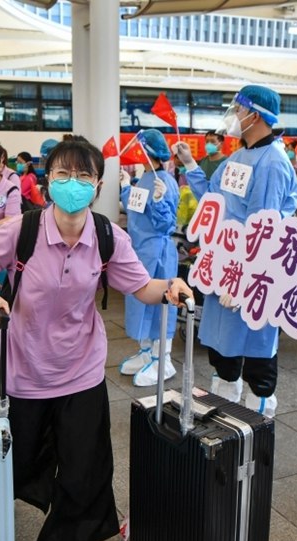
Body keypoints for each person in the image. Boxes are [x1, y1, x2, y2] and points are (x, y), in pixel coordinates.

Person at [0, 137, 193, 541]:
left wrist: (169, 288)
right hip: (23, 369)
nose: (73, 184)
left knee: (84, 463)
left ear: (98, 184)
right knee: (17, 461)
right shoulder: (23, 230)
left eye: (83, 176)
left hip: (80, 369)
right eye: (63, 175)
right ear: (48, 182)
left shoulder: (107, 236)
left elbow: (140, 285)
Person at [172, 84, 297, 417]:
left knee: (256, 348)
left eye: (238, 111)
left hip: (253, 273)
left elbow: (264, 228)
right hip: (225, 266)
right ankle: (225, 407)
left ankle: (258, 418)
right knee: (221, 345)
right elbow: (213, 200)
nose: (233, 118)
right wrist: (189, 164)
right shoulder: (238, 156)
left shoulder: (273, 162)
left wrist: (247, 279)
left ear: (254, 115)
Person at [118, 129, 180, 386]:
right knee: (139, 303)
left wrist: (159, 201)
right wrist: (125, 188)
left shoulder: (164, 182)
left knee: (160, 305)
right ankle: (146, 352)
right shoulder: (144, 178)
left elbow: (167, 223)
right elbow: (135, 207)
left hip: (159, 254)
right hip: (140, 252)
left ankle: (162, 358)